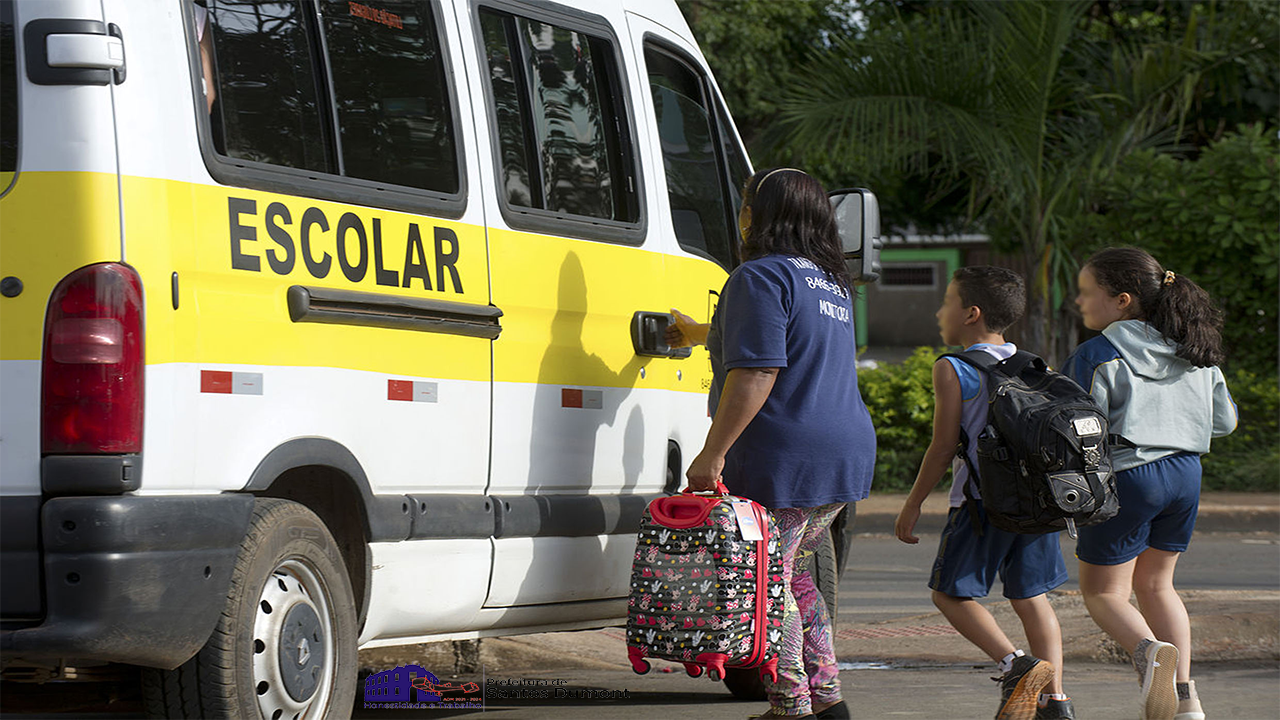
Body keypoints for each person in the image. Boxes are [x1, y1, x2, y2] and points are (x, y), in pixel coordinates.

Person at [666, 167, 876, 720]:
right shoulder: (830, 283)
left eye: (745, 204)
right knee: (796, 574)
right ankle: (827, 698)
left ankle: (792, 705)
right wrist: (697, 333)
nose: (741, 215)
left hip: (786, 455)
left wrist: (712, 453)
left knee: (765, 580)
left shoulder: (758, 277)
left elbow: (756, 371)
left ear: (761, 215)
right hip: (841, 450)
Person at [1062, 247, 1237, 720]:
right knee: (1159, 587)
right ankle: (1186, 702)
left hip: (1129, 476)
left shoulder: (1098, 354)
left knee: (1103, 594)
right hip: (1186, 475)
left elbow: (1072, 426)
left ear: (1121, 300)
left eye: (1085, 293)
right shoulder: (1194, 350)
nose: (1077, 302)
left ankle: (1150, 652)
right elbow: (1224, 422)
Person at [894, 266, 1075, 720]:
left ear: (971, 314)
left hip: (981, 503)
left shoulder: (953, 368)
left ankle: (1015, 664)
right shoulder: (1035, 364)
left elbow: (941, 448)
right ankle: (1057, 702)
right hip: (1038, 502)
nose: (940, 312)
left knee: (950, 594)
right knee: (1031, 596)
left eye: (946, 302)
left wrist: (913, 503)